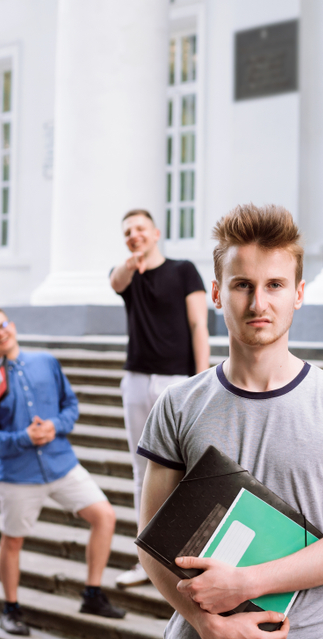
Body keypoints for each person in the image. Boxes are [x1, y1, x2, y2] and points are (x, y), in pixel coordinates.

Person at [135, 203, 323, 639]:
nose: (258, 302)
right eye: (242, 285)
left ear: (298, 293)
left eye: (274, 285)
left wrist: (247, 583)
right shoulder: (177, 404)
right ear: (216, 293)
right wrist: (203, 622)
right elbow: (151, 541)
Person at [0, 308, 126, 634]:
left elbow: (71, 406)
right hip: (18, 474)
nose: (0, 333)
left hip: (61, 463)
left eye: (3, 325)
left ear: (11, 325)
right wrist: (22, 438)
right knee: (12, 541)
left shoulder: (46, 362)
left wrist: (54, 426)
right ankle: (10, 608)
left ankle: (92, 593)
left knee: (105, 516)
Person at [109, 208, 210, 588]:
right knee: (142, 471)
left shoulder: (183, 270)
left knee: (189, 467)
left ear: (156, 232)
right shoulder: (127, 275)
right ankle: (147, 561)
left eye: (139, 229)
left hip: (176, 378)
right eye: (127, 232)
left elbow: (199, 323)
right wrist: (132, 261)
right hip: (136, 378)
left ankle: (191, 557)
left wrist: (201, 379)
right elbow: (116, 283)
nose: (133, 235)